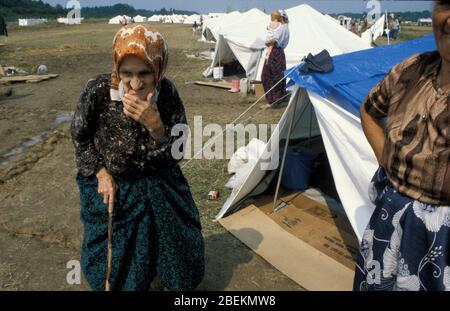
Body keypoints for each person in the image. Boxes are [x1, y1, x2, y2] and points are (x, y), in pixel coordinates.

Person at [71, 24, 205, 291]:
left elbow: (177, 151)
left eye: (144, 73)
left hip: (158, 179)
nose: (134, 83)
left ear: (158, 70)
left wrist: (155, 125)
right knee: (118, 257)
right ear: (116, 69)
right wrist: (100, 172)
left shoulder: (167, 94)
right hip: (114, 183)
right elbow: (80, 135)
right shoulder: (98, 90)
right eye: (126, 73)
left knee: (176, 242)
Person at [354, 1, 450, 291]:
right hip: (389, 225)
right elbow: (370, 111)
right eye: (445, 4)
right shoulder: (412, 70)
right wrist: (389, 159)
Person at [260, 9, 290, 109]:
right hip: (280, 52)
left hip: (274, 52)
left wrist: (267, 42)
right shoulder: (286, 28)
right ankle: (280, 97)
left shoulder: (280, 28)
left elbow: (273, 40)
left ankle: (273, 101)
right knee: (279, 75)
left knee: (267, 76)